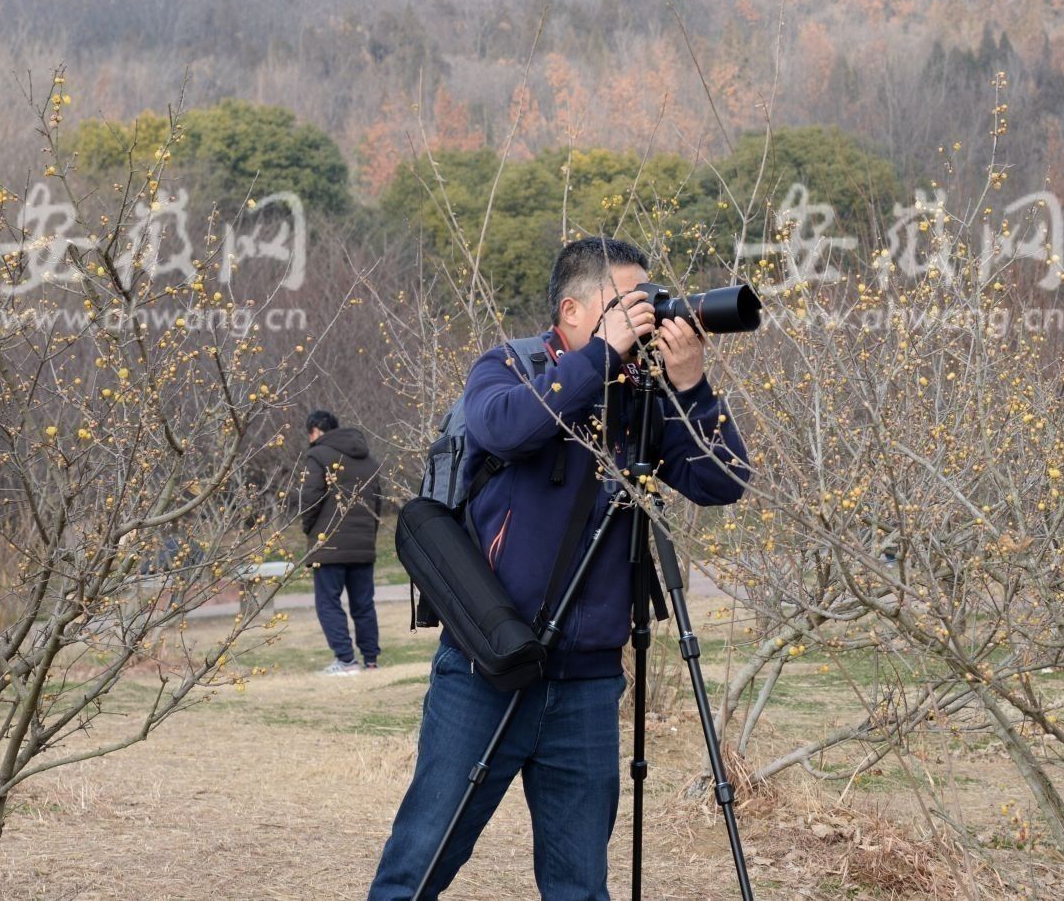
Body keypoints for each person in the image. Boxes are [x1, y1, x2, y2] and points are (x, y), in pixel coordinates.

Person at [369, 236, 752, 901]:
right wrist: (601, 357)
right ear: (573, 312)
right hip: (487, 667)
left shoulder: (641, 398)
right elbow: (503, 429)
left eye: (648, 304)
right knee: (420, 863)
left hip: (587, 685)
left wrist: (692, 387)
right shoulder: (510, 366)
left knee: (579, 885)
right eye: (626, 305)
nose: (644, 319)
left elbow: (723, 482)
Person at [299, 409, 385, 675]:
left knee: (328, 603)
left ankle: (346, 661)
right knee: (363, 603)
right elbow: (377, 500)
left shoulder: (317, 455)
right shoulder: (367, 458)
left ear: (315, 430)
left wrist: (308, 529)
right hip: (362, 545)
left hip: (329, 545)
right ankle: (370, 660)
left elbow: (310, 497)